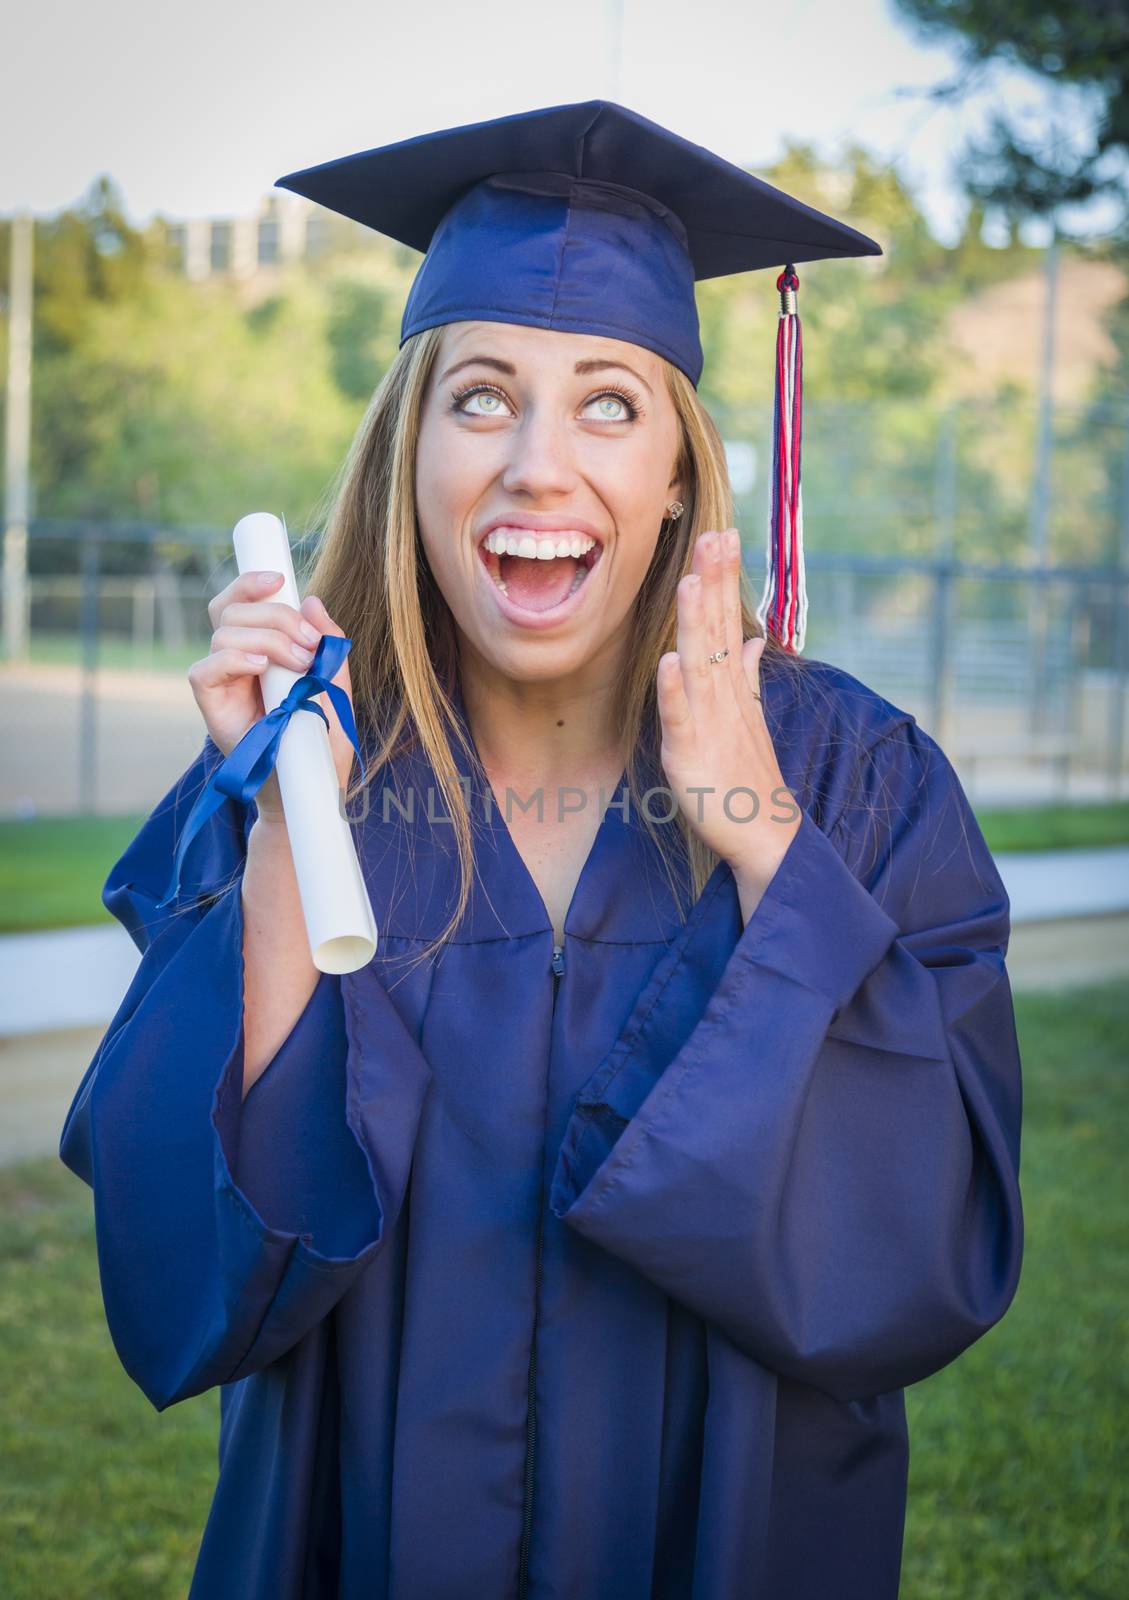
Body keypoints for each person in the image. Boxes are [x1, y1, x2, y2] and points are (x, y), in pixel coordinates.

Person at [59, 101, 1024, 1600]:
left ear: (683, 477)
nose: (535, 464)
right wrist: (272, 825)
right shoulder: (308, 779)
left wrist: (756, 831)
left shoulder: (854, 778)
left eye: (608, 405)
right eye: (482, 397)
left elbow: (925, 1239)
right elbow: (194, 1273)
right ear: (410, 454)